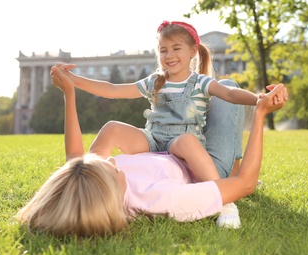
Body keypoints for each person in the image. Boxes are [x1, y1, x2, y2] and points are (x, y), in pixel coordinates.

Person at [15, 64, 288, 238]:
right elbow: (245, 184)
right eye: (109, 165)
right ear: (108, 188)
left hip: (171, 146)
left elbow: (75, 157)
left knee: (184, 125)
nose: (110, 158)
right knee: (226, 87)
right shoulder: (162, 199)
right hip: (206, 169)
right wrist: (260, 111)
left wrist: (70, 91)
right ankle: (227, 199)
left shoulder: (92, 185)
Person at [54, 21, 259, 185]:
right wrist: (74, 79)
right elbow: (112, 90)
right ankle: (87, 180)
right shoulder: (155, 81)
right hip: (153, 140)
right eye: (163, 50)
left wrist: (258, 99)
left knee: (187, 140)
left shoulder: (200, 82)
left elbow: (230, 94)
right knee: (111, 128)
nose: (169, 55)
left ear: (192, 51)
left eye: (176, 48)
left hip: (182, 144)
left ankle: (222, 196)